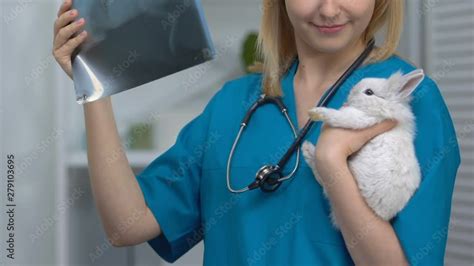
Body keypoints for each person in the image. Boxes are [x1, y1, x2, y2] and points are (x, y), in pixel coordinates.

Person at [52, 0, 461, 265]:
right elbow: (127, 225)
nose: (330, 8)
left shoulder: (407, 100)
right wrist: (94, 87)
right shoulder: (234, 104)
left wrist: (333, 165)